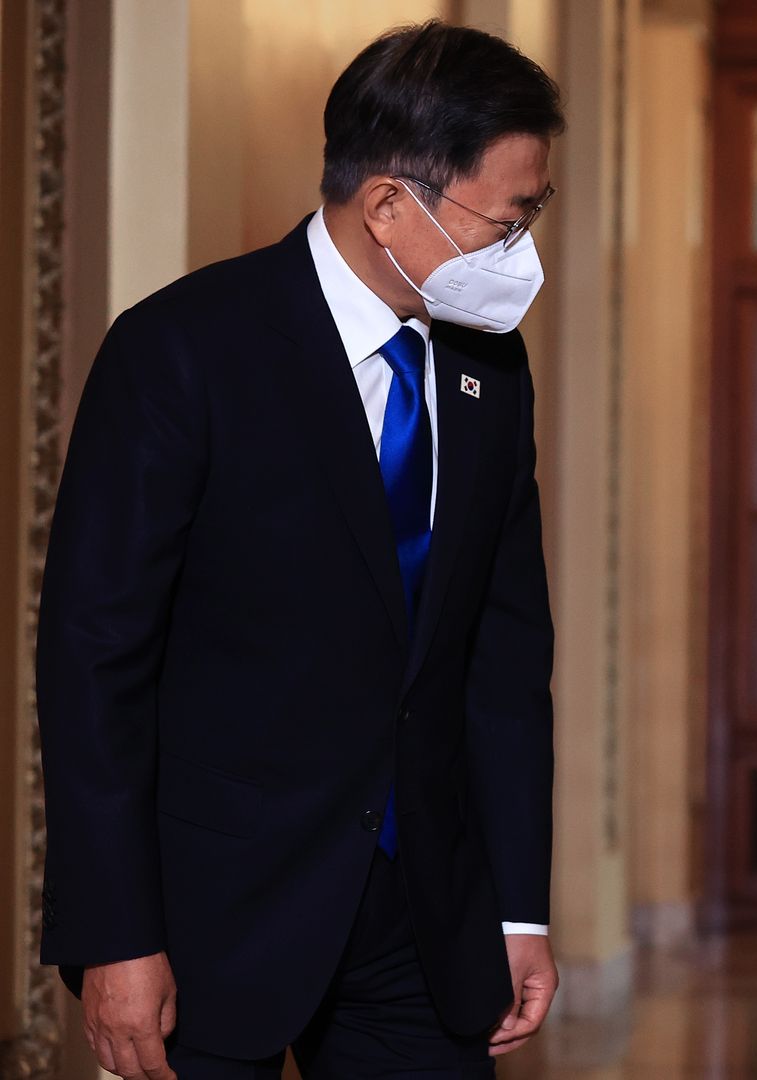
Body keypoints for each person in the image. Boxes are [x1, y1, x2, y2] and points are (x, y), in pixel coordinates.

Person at [38, 21, 562, 1078]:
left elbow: (504, 663)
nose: (521, 247)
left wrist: (516, 909)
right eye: (507, 219)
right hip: (210, 915)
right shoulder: (181, 352)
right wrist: (115, 932)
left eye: (531, 215)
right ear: (386, 205)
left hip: (424, 923)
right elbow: (95, 660)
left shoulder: (488, 378)